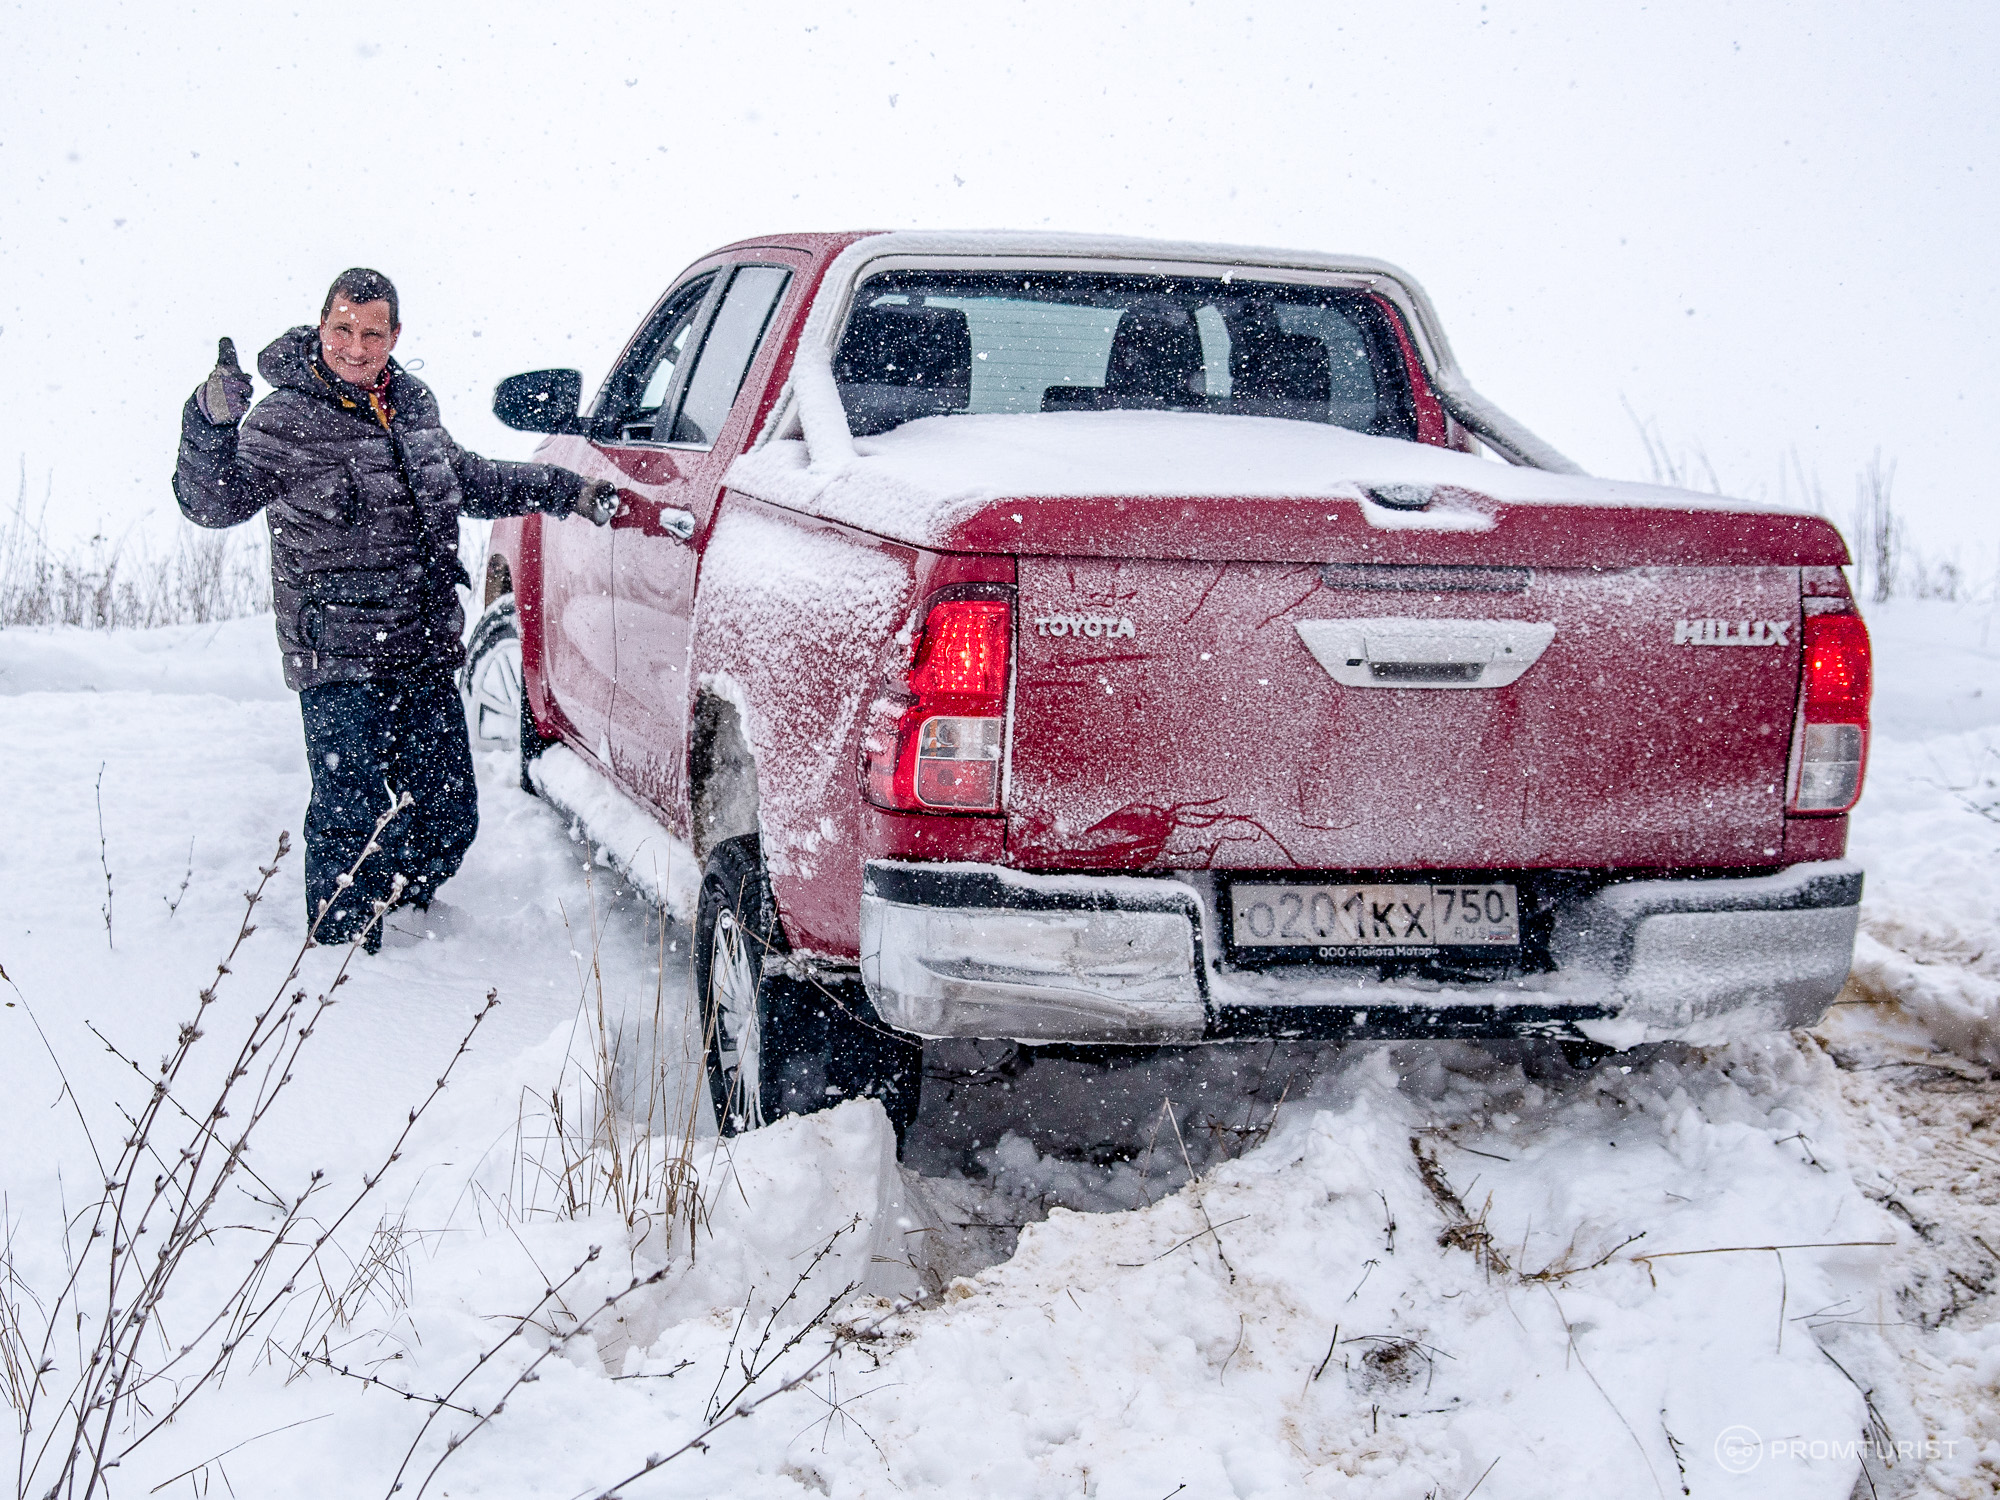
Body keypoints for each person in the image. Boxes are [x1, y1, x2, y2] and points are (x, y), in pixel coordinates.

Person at [174, 267, 617, 951]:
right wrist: (208, 423)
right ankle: (346, 960)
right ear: (321, 326)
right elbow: (213, 503)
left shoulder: (410, 404)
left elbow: (467, 477)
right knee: (352, 819)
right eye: (342, 330)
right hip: (338, 653)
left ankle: (406, 912)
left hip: (420, 646)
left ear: (394, 335)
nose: (355, 347)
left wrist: (567, 491)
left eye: (371, 333)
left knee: (447, 817)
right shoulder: (284, 417)